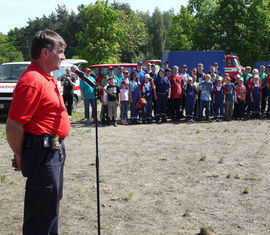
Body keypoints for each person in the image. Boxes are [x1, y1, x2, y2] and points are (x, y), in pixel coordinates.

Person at [6, 29, 69, 234]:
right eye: (60, 52)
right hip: (42, 155)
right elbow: (14, 125)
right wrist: (21, 155)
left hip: (52, 152)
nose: (63, 56)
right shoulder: (33, 80)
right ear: (45, 52)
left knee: (50, 212)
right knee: (40, 219)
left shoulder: (46, 77)